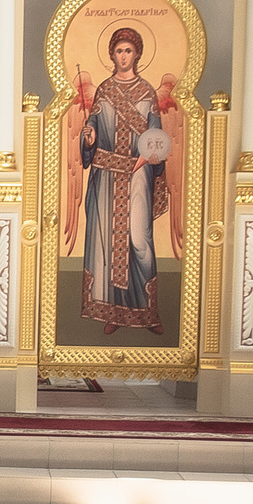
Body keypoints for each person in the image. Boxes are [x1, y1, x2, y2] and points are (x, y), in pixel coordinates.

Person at [69, 27, 174, 334]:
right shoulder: (103, 90)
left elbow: (155, 136)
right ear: (112, 55)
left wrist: (142, 161)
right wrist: (88, 139)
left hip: (138, 174)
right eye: (119, 51)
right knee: (106, 244)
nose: (124, 56)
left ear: (137, 54)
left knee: (139, 242)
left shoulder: (147, 93)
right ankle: (112, 313)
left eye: (129, 50)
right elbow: (93, 129)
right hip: (105, 176)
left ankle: (147, 313)